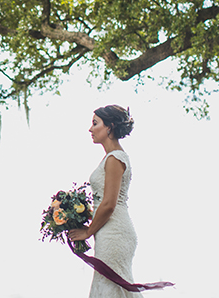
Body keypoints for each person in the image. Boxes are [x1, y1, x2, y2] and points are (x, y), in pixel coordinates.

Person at [68, 104, 142, 298]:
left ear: (109, 127)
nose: (90, 129)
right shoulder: (109, 158)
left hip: (115, 232)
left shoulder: (115, 158)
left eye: (95, 123)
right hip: (107, 232)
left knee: (111, 287)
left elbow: (109, 204)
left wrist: (87, 231)